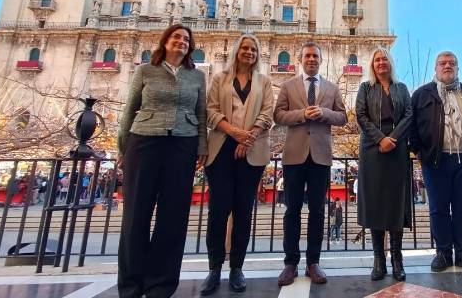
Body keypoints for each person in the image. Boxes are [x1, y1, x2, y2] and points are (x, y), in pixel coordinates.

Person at [117, 24, 207, 298]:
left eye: (186, 39)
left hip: (183, 143)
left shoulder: (197, 76)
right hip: (144, 141)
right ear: (165, 41)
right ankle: (131, 284)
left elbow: (201, 113)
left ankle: (161, 284)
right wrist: (122, 148)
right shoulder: (145, 71)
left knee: (174, 216)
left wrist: (201, 146)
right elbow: (130, 109)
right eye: (176, 37)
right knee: (135, 215)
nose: (181, 41)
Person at [200, 34, 274, 295]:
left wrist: (248, 137)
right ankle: (214, 268)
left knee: (243, 212)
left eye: (253, 49)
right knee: (218, 212)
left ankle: (237, 268)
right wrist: (234, 133)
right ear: (236, 51)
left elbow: (268, 113)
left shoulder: (264, 82)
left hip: (251, 152)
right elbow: (209, 111)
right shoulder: (220, 78)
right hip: (221, 149)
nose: (249, 52)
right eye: (244, 48)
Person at [409, 51, 462, 275]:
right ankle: (443, 252)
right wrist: (419, 152)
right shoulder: (421, 94)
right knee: (438, 209)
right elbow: (412, 126)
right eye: (442, 63)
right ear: (435, 68)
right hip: (436, 160)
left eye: (452, 63)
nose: (447, 66)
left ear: (457, 68)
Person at [274, 42, 347, 287]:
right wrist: (302, 114)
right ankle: (290, 264)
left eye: (316, 56)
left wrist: (324, 113)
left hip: (321, 157)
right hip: (294, 156)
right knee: (291, 211)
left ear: (321, 60)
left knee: (317, 211)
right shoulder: (287, 86)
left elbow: (343, 117)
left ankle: (313, 262)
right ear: (300, 59)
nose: (312, 59)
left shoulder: (332, 88)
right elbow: (278, 115)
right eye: (307, 56)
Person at [355, 47, 413, 281]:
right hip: (372, 147)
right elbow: (361, 116)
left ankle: (397, 259)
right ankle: (379, 260)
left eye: (385, 59)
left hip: (397, 147)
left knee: (395, 202)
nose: (381, 63)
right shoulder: (365, 88)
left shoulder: (402, 88)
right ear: (372, 64)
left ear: (390, 63)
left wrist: (393, 139)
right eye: (377, 60)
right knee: (376, 203)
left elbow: (409, 114)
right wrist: (380, 139)